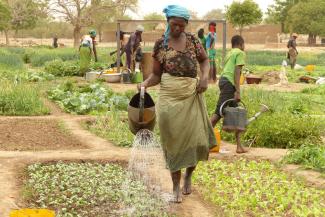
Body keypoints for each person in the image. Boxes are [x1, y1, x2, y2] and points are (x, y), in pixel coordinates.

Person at [139, 5, 216, 203]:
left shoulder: (193, 41)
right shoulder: (161, 45)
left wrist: (205, 77)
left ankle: (188, 175)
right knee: (172, 142)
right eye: (174, 25)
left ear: (186, 25)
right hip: (169, 98)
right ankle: (175, 186)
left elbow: (205, 61)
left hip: (191, 95)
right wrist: (145, 84)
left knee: (198, 140)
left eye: (181, 26)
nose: (177, 29)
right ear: (168, 23)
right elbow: (156, 75)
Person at [210, 35, 247, 154]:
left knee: (237, 114)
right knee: (218, 112)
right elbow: (237, 72)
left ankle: (239, 146)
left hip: (223, 81)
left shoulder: (229, 53)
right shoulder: (240, 53)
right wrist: (237, 90)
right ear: (241, 44)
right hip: (229, 83)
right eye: (244, 44)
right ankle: (202, 142)